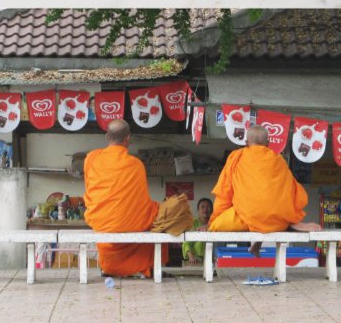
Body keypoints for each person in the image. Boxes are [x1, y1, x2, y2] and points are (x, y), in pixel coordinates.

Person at [83, 119, 192, 278]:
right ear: (128, 138)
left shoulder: (91, 159)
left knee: (127, 216)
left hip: (101, 219)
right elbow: (139, 200)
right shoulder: (136, 164)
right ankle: (151, 267)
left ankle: (110, 268)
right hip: (131, 220)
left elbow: (90, 190)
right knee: (164, 216)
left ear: (107, 136)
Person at [208, 125, 322, 256]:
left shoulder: (236, 157)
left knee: (217, 225)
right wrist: (291, 218)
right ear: (268, 143)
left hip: (246, 219)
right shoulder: (278, 159)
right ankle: (289, 224)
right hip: (277, 221)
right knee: (271, 213)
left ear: (246, 143)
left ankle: (261, 233)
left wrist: (213, 221)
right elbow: (294, 191)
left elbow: (224, 193)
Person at [181, 198, 213, 264]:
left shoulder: (216, 223)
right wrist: (191, 257)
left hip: (214, 259)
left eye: (208, 207)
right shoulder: (193, 224)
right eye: (202, 207)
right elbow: (186, 243)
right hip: (196, 260)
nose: (205, 210)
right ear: (198, 210)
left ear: (212, 210)